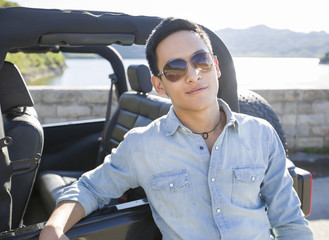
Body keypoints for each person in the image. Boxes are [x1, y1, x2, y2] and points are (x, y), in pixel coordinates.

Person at [40, 17, 313, 240]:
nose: (193, 75)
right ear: (159, 85)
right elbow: (89, 189)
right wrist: (53, 228)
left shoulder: (261, 134)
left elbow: (290, 223)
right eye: (175, 69)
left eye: (201, 60)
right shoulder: (143, 146)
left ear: (215, 66)